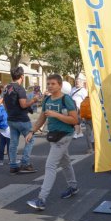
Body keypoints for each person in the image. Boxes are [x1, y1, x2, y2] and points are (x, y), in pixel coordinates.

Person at [26, 74, 79, 211]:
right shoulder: (47, 99)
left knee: (50, 166)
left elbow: (74, 120)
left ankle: (41, 199)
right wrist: (32, 131)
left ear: (60, 85)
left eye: (53, 83)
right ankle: (73, 187)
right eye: (48, 83)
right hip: (54, 136)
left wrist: (56, 115)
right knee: (65, 161)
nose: (50, 86)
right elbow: (41, 119)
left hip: (64, 136)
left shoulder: (66, 99)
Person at [4, 66, 40, 174]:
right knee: (30, 139)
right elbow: (23, 104)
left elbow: (5, 104)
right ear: (22, 76)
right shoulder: (20, 89)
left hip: (11, 118)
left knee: (13, 142)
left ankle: (13, 165)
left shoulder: (7, 88)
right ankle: (25, 163)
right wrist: (33, 100)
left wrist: (10, 112)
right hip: (22, 119)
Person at [0, 84, 10, 165]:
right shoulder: (9, 98)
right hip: (8, 123)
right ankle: (11, 160)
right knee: (10, 143)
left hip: (0, 123)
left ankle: (1, 160)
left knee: (2, 143)